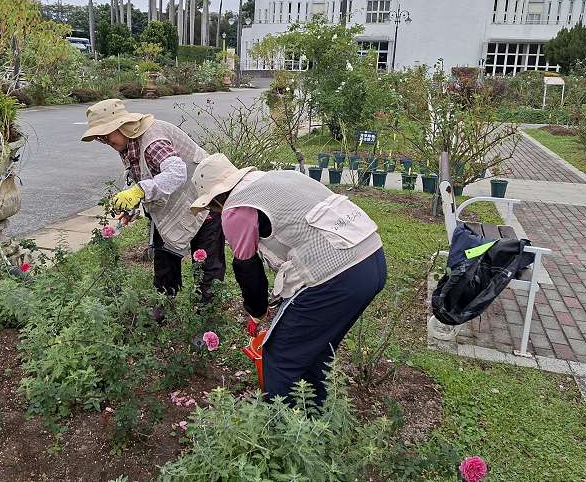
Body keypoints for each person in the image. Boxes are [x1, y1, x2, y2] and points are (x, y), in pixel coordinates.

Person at [189, 153, 387, 405]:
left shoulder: (236, 209)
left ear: (216, 198)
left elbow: (248, 269)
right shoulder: (282, 177)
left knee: (279, 358)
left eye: (210, 207)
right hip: (372, 259)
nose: (214, 212)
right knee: (313, 351)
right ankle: (314, 419)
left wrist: (257, 311)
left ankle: (284, 433)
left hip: (336, 275)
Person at [81, 99, 225, 310]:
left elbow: (176, 172)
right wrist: (132, 203)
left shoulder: (153, 140)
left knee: (206, 260)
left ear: (122, 125)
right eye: (99, 137)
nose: (103, 140)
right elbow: (138, 172)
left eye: (106, 133)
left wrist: (140, 190)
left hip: (204, 199)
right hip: (176, 202)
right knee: (164, 255)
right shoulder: (127, 143)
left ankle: (208, 314)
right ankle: (164, 304)